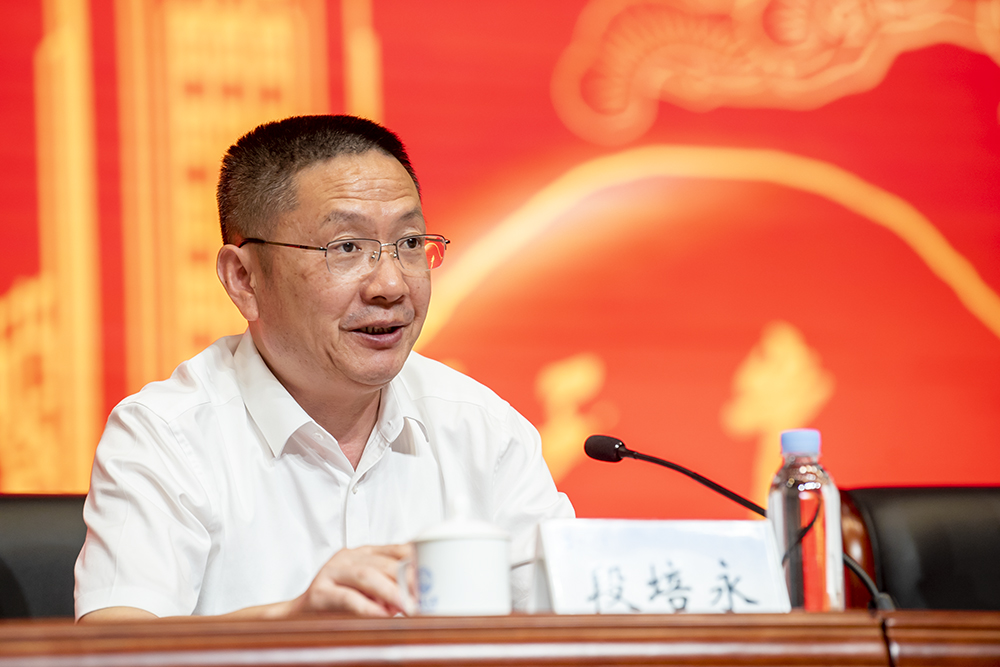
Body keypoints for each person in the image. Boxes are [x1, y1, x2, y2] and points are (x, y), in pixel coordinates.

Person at [74, 115, 574, 621]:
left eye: (408, 243)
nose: (391, 286)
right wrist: (294, 623)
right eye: (347, 248)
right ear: (243, 279)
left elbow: (576, 621)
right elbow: (113, 643)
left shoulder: (483, 429)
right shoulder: (167, 434)